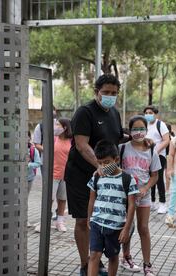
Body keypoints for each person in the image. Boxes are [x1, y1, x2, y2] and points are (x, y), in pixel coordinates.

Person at [64, 74, 124, 276]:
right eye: (105, 92)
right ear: (96, 92)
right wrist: (100, 166)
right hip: (80, 175)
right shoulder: (85, 112)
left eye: (114, 93)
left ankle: (97, 260)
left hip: (104, 178)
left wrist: (140, 140)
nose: (109, 96)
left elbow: (114, 140)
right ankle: (86, 264)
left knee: (102, 219)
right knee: (83, 220)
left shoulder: (115, 113)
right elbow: (82, 145)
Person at [87, 140, 139, 276]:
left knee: (113, 257)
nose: (103, 166)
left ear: (116, 159)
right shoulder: (97, 177)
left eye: (106, 162)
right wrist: (89, 218)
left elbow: (132, 205)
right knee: (94, 255)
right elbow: (92, 199)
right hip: (97, 223)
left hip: (115, 227)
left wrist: (126, 228)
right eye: (100, 162)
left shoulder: (128, 179)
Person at [119, 115, 161, 276]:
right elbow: (114, 167)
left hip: (143, 196)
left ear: (146, 130)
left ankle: (147, 265)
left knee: (143, 228)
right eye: (135, 129)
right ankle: (126, 257)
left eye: (141, 129)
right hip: (125, 196)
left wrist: (145, 188)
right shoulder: (122, 148)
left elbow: (155, 176)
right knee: (127, 227)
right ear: (130, 131)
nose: (138, 132)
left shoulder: (152, 150)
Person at [34, 118, 72, 233]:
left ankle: (59, 222)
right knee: (48, 200)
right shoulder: (52, 139)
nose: (55, 126)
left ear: (65, 128)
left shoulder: (71, 140)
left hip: (66, 175)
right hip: (52, 174)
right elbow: (41, 147)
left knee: (62, 199)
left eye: (58, 124)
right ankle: (43, 222)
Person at [143, 106, 170, 214]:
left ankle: (163, 203)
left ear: (155, 114)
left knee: (158, 179)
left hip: (159, 155)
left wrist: (156, 151)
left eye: (150, 112)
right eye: (146, 113)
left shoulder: (160, 125)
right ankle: (152, 202)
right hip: (147, 156)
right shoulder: (145, 125)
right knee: (150, 178)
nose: (148, 114)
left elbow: (166, 140)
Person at [27, 142, 41, 227]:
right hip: (14, 179)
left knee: (24, 200)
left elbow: (38, 163)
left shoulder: (33, 150)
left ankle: (25, 219)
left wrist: (28, 165)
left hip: (28, 179)